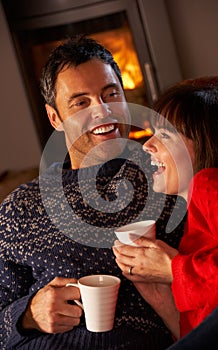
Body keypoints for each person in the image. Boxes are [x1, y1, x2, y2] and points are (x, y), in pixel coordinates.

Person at [0, 35, 187, 349]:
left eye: (110, 94)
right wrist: (27, 315)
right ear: (55, 118)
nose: (102, 111)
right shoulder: (20, 208)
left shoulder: (165, 175)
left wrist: (175, 269)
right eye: (81, 102)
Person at [113, 82, 218, 340]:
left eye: (165, 135)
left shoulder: (210, 183)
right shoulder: (193, 222)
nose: (147, 145)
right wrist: (159, 292)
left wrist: (173, 270)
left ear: (205, 144)